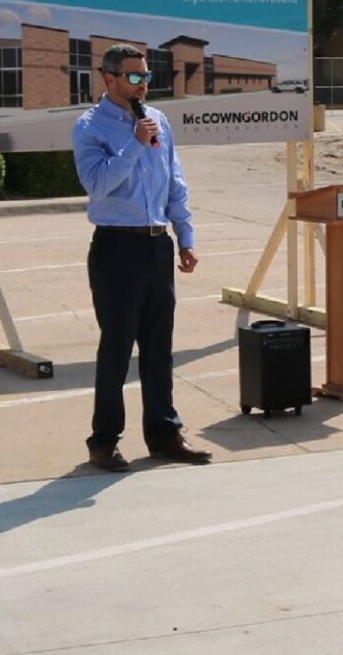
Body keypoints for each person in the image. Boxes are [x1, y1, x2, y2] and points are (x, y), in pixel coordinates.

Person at [72, 44, 211, 471]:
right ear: (109, 79)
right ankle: (104, 441)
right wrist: (133, 145)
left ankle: (164, 434)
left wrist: (184, 235)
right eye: (134, 76)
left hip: (156, 245)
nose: (143, 84)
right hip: (116, 247)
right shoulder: (89, 126)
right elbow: (97, 185)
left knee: (158, 347)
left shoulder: (160, 122)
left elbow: (175, 181)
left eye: (147, 76)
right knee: (116, 347)